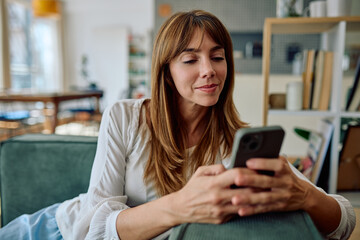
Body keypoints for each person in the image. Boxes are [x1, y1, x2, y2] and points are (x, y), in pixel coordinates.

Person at [0, 10, 355, 240]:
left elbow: (344, 221)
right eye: (190, 59)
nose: (209, 70)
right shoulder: (125, 116)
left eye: (218, 57)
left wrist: (306, 195)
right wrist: (183, 205)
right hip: (56, 229)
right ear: (166, 73)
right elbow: (94, 229)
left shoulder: (237, 141)